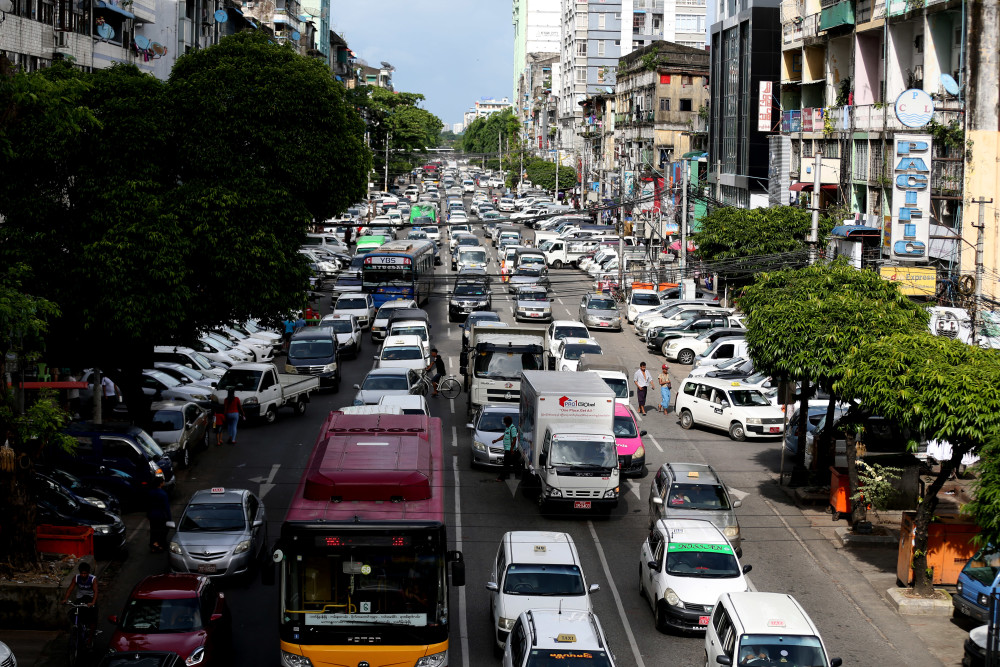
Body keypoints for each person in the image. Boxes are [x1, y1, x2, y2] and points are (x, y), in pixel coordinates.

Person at [62, 561, 98, 636]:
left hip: (90, 598)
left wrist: (93, 602)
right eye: (82, 573)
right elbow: (70, 589)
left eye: (85, 573)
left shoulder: (93, 579)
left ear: (88, 573)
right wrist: (66, 598)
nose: (83, 575)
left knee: (93, 618)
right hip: (80, 598)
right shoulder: (76, 578)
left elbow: (96, 592)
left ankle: (90, 639)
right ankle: (79, 627)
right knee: (73, 614)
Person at [147, 478, 171, 552]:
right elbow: (166, 507)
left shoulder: (150, 492)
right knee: (162, 531)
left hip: (152, 515)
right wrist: (169, 518)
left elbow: (148, 505)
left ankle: (153, 545)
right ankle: (159, 545)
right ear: (160, 484)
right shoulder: (163, 494)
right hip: (161, 516)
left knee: (153, 531)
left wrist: (148, 514)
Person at [492, 415, 518, 481]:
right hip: (507, 449)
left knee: (506, 464)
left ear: (507, 422)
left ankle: (501, 477)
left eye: (505, 422)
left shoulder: (513, 428)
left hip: (509, 450)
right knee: (509, 464)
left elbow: (514, 439)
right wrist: (496, 440)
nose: (504, 424)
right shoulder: (507, 428)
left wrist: (511, 449)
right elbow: (504, 436)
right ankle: (512, 474)